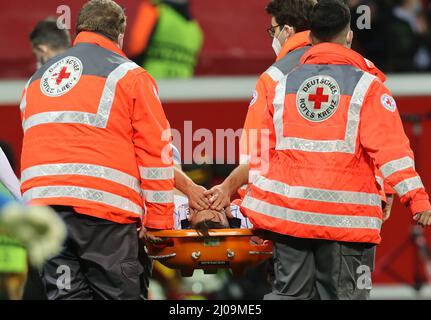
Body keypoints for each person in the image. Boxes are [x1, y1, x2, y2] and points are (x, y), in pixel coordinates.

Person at [241, 0, 431, 300]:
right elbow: (390, 150)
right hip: (347, 221)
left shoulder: (279, 84)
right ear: (350, 36)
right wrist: (414, 198)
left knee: (289, 296)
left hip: (291, 219)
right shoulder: (368, 86)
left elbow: (258, 153)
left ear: (310, 38)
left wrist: (244, 203)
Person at [20, 0, 174, 300]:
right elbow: (155, 153)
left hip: (46, 214)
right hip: (104, 216)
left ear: (79, 30)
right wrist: (159, 224)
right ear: (120, 34)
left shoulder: (36, 81)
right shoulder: (131, 76)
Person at [127, 0, 203, 78]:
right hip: (182, 86)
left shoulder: (153, 10)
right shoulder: (195, 28)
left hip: (150, 84)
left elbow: (135, 48)